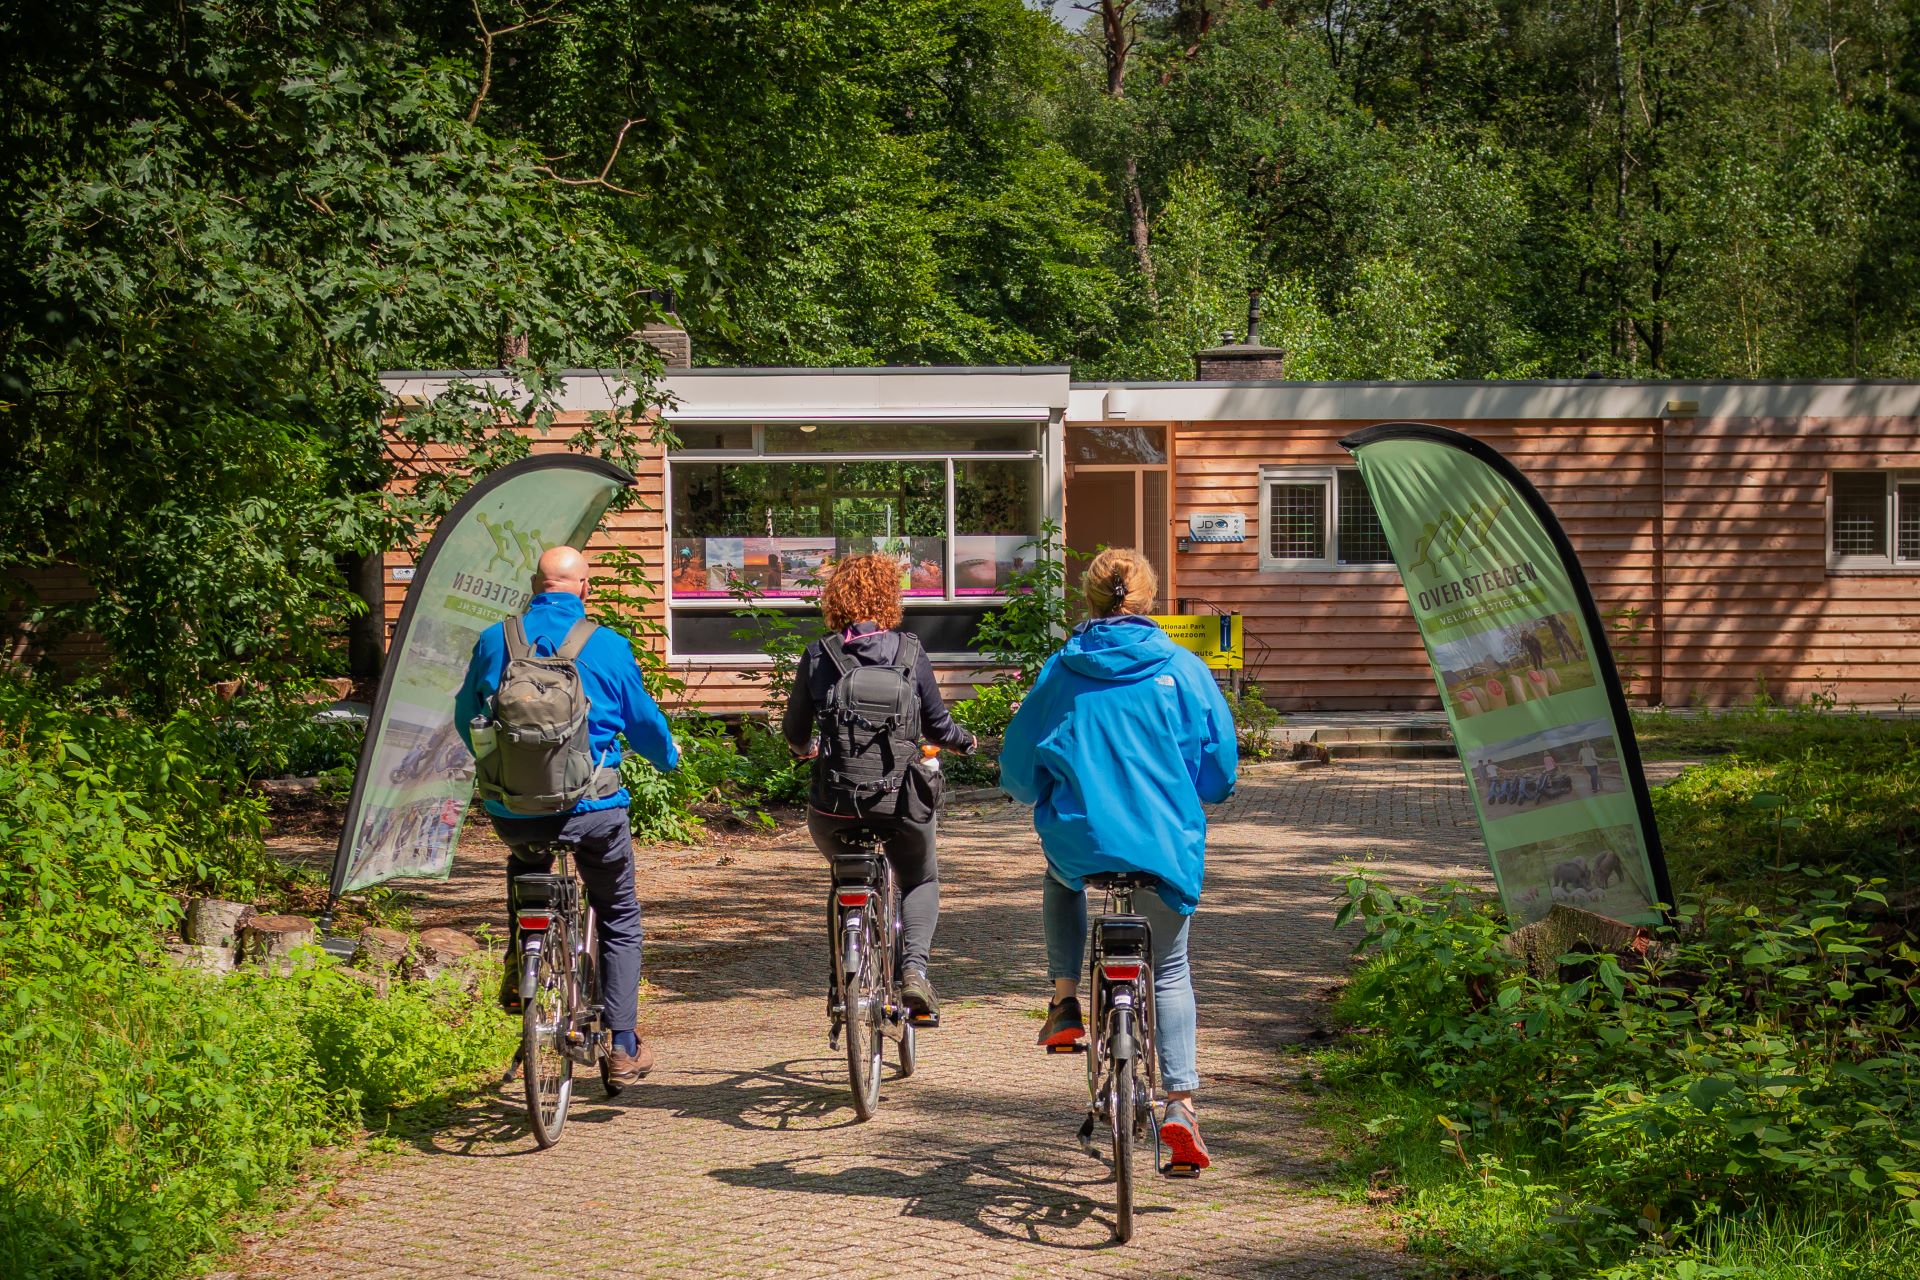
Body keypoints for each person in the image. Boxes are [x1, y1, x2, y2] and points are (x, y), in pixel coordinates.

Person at [1000, 547, 1238, 1174]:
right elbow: (1218, 776)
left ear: (1089, 597)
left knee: (1060, 875)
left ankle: (1064, 1002)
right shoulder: (1185, 670)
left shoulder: (1061, 671)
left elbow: (1021, 770)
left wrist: (1043, 787)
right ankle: (1181, 1106)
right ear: (1148, 598)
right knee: (1171, 967)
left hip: (1083, 841)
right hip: (1162, 846)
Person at [456, 545, 679, 1089]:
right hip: (594, 811)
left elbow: (466, 716)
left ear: (535, 585)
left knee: (525, 868)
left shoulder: (496, 640)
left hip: (516, 811)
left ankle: (521, 961)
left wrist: (500, 772)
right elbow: (643, 721)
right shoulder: (605, 645)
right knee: (619, 912)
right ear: (584, 588)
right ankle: (623, 1045)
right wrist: (667, 759)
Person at [782, 552, 977, 1022]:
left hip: (835, 801)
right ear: (890, 597)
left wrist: (805, 749)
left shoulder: (818, 654)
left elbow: (794, 731)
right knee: (921, 878)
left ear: (835, 599)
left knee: (844, 874)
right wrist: (964, 742)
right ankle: (914, 972)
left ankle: (839, 981)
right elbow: (937, 724)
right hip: (900, 802)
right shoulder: (910, 651)